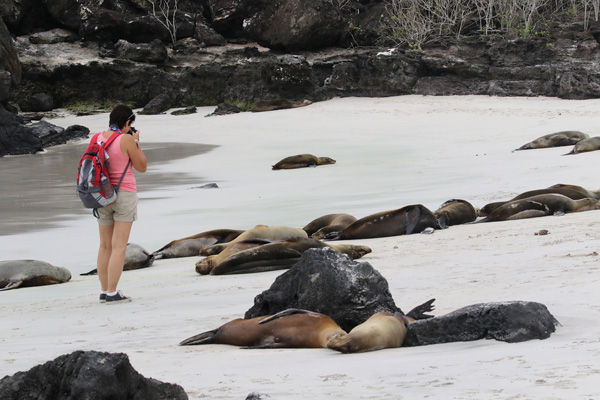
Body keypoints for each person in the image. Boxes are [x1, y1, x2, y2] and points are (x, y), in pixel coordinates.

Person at [95, 104, 147, 304]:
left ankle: (103, 290)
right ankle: (112, 292)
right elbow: (141, 167)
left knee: (105, 246)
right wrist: (136, 143)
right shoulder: (126, 139)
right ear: (127, 122)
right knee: (119, 246)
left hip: (101, 195)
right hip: (123, 194)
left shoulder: (97, 137)